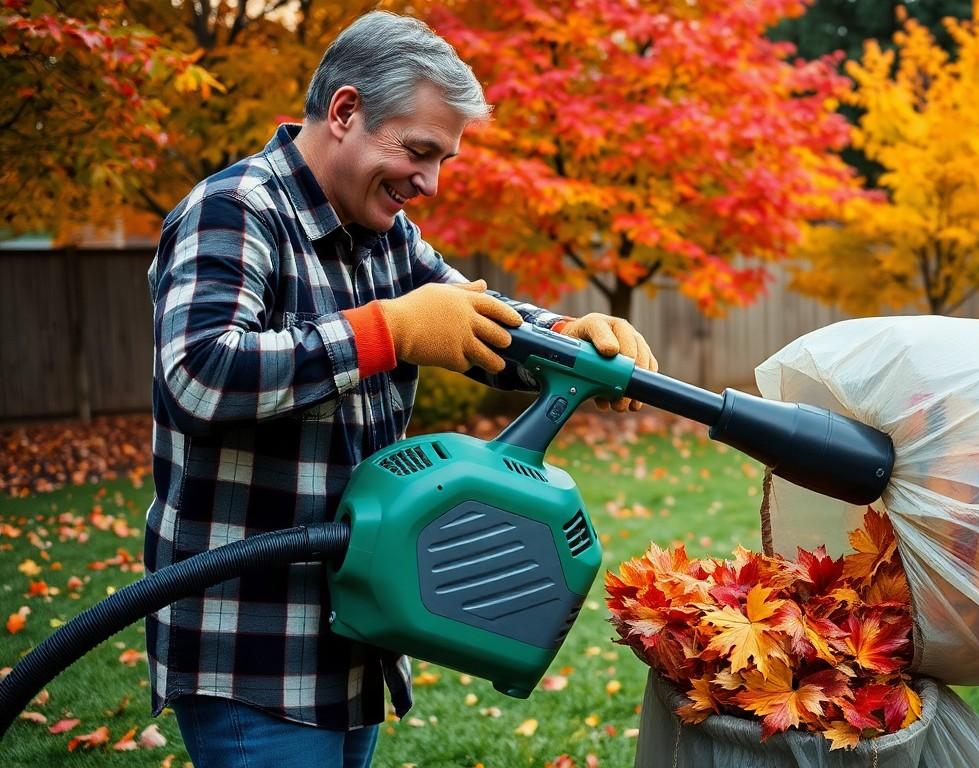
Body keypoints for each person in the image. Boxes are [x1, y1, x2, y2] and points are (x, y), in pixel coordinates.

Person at [143, 11, 657, 767]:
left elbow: (479, 324)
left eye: (443, 159)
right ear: (346, 112)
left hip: (358, 629)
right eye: (419, 151)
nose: (431, 182)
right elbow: (199, 373)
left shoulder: (382, 234)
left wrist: (571, 339)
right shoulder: (237, 210)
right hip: (252, 645)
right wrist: (387, 332)